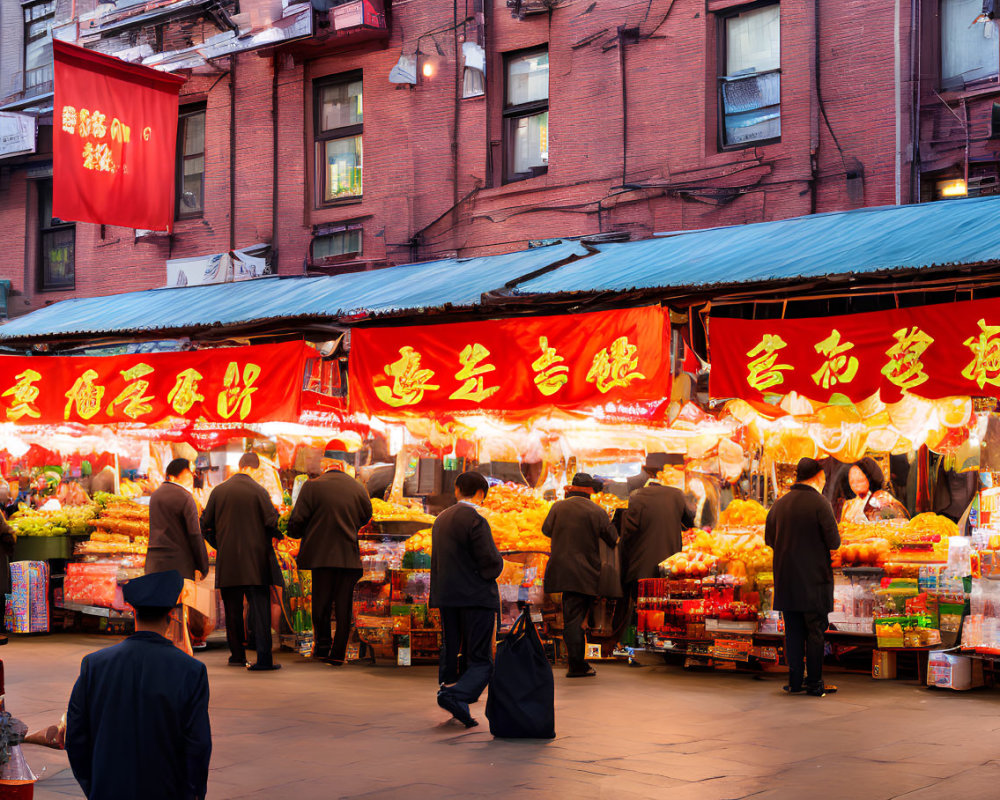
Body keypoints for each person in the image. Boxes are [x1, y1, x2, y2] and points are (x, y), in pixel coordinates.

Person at [66, 570, 211, 800]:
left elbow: (76, 738)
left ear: (133, 612)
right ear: (172, 614)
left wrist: (95, 785)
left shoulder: (94, 665)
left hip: (108, 790)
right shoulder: (190, 671)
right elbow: (198, 745)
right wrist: (193, 793)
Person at [430, 471, 503, 728]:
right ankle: (454, 695)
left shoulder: (441, 519)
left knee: (453, 649)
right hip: (475, 597)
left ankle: (455, 701)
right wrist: (493, 570)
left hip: (447, 596)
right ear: (482, 493)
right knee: (481, 658)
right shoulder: (476, 520)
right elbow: (491, 562)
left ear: (457, 489)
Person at [765, 457, 841, 697]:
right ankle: (815, 682)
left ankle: (795, 681)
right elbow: (834, 541)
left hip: (787, 580)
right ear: (819, 476)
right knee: (815, 631)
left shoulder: (779, 504)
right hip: (814, 580)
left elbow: (768, 540)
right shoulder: (820, 503)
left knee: (794, 632)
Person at [201, 452, 282, 672]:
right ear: (254, 469)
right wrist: (277, 536)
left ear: (240, 466)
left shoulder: (219, 491)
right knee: (260, 610)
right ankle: (264, 659)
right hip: (257, 563)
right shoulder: (259, 491)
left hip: (229, 562)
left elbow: (205, 524)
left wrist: (220, 544)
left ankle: (237, 655)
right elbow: (272, 522)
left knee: (233, 611)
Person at [287, 458, 373, 665]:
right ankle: (338, 653)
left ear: (325, 468)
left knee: (321, 604)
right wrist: (350, 526)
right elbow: (367, 515)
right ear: (343, 469)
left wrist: (297, 533)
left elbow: (298, 519)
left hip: (321, 556)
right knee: (344, 607)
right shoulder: (358, 487)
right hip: (349, 556)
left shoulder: (312, 486)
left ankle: (323, 646)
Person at [541, 473, 619, 678]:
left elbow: (546, 530)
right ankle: (576, 665)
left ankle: (576, 661)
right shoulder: (597, 511)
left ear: (572, 487)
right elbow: (612, 539)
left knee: (572, 616)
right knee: (575, 619)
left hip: (560, 570)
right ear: (590, 491)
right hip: (585, 572)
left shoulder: (558, 507)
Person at [621, 453, 695, 586]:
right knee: (668, 603)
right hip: (671, 565)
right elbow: (691, 522)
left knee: (645, 604)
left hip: (642, 567)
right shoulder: (677, 495)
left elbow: (628, 532)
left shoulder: (636, 496)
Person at [146, 459, 209, 582]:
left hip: (153, 563)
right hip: (178, 565)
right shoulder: (186, 497)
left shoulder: (155, 495)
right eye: (190, 472)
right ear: (177, 474)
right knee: (176, 600)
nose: (192, 476)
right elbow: (195, 534)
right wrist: (203, 565)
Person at [840, 457, 908, 523]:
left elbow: (898, 522)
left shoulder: (881, 499)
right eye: (852, 481)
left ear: (870, 478)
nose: (856, 485)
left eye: (860, 481)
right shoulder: (849, 505)